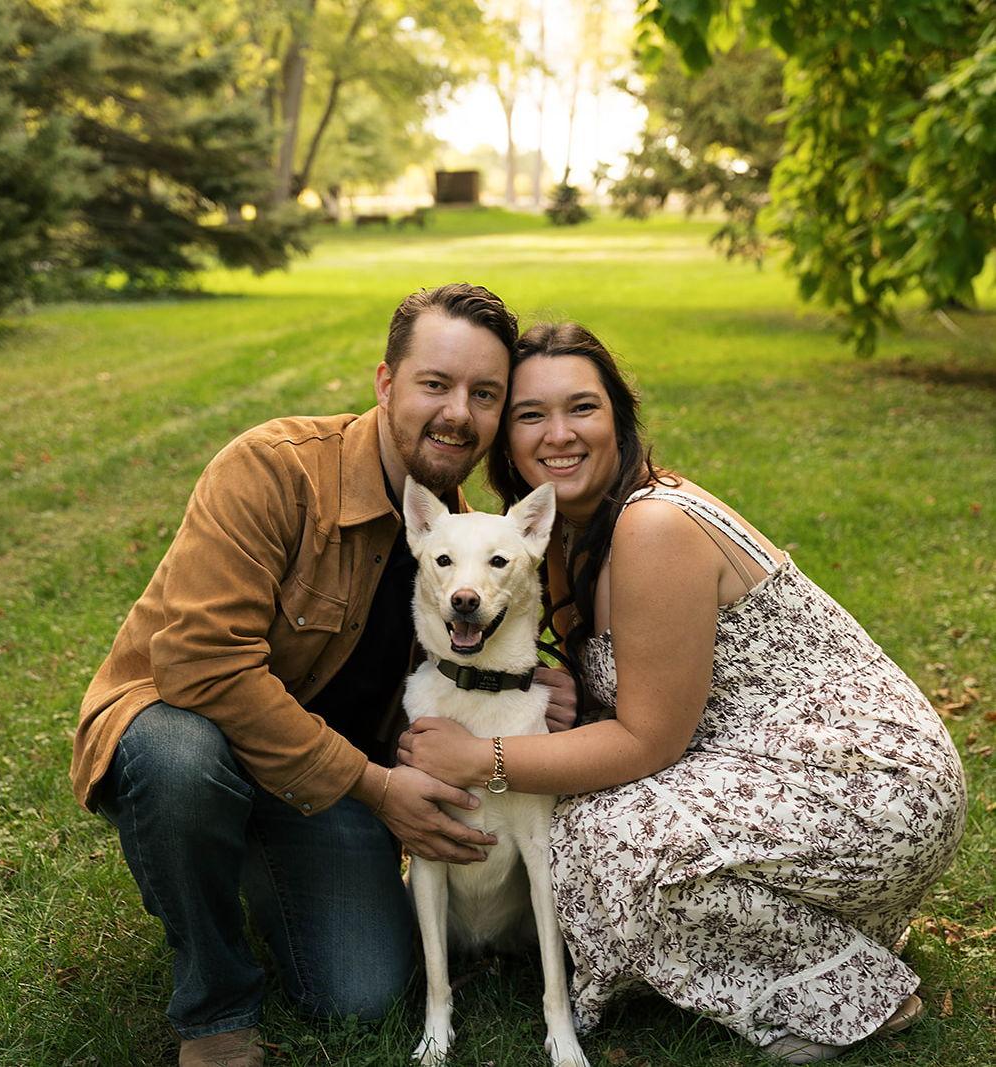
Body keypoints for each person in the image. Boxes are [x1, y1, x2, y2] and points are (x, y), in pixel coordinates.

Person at [397, 322, 967, 1064]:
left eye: (582, 408)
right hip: (759, 766)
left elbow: (647, 742)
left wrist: (484, 756)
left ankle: (844, 989)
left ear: (619, 420)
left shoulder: (652, 524)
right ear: (507, 440)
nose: (558, 434)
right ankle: (818, 933)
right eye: (530, 415)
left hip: (862, 781)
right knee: (573, 820)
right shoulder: (563, 538)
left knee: (591, 841)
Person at [69, 285, 579, 1067]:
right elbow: (200, 663)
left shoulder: (456, 538)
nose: (457, 414)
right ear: (385, 383)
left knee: (361, 991)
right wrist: (377, 790)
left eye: (484, 394)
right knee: (182, 759)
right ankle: (214, 1012)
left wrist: (527, 683)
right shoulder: (272, 470)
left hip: (312, 780)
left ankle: (242, 850)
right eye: (434, 384)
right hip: (185, 724)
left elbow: (460, 649)